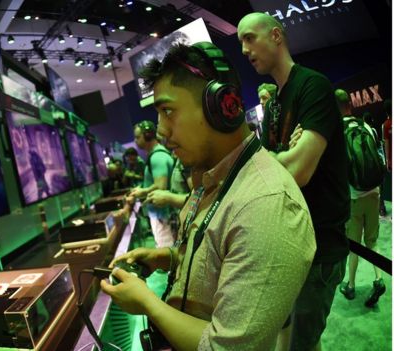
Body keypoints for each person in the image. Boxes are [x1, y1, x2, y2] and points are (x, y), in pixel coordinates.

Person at [100, 42, 315, 350]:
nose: (160, 130)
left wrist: (149, 304)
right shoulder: (212, 178)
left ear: (222, 105)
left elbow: (227, 347)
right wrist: (168, 258)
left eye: (168, 111)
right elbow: (213, 255)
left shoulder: (265, 205)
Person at [238, 13, 350, 351]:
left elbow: (298, 170)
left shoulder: (312, 86)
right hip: (290, 245)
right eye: (240, 42)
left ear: (275, 36)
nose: (244, 49)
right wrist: (280, 156)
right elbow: (273, 169)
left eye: (249, 38)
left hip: (320, 249)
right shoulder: (275, 105)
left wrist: (277, 158)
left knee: (301, 343)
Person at [335, 89, 386, 307]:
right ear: (350, 105)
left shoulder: (336, 133)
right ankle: (379, 278)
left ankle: (351, 286)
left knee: (354, 245)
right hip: (374, 193)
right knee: (372, 241)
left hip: (353, 197)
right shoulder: (367, 127)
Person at [128, 120, 176, 248]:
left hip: (162, 214)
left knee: (165, 247)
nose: (136, 141)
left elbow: (160, 186)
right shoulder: (156, 155)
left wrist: (142, 192)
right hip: (160, 213)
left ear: (148, 135)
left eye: (138, 137)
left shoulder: (157, 157)